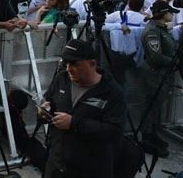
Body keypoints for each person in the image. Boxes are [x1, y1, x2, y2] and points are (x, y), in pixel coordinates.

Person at [39, 39, 125, 178]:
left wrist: (74, 123)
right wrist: (43, 113)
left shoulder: (112, 92)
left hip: (90, 169)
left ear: (92, 64)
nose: (68, 68)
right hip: (56, 165)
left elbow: (114, 132)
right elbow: (49, 103)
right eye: (66, 63)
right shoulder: (61, 79)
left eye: (74, 64)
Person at [140, 0, 177, 157]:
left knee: (156, 107)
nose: (172, 15)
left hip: (162, 75)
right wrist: (174, 62)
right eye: (170, 12)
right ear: (163, 14)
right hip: (155, 75)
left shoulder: (161, 28)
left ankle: (152, 133)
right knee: (151, 106)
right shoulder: (153, 31)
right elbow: (156, 57)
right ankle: (147, 137)